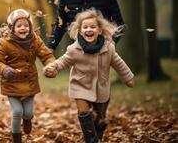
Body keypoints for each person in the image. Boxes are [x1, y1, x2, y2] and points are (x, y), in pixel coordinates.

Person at [43, 9, 134, 142]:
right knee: (83, 112)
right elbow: (63, 61)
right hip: (80, 85)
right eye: (85, 27)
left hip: (101, 87)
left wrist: (128, 77)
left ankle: (99, 132)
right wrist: (54, 68)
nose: (89, 29)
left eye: (92, 27)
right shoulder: (74, 49)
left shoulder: (108, 48)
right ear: (80, 31)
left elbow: (119, 63)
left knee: (99, 118)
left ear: (100, 30)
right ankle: (91, 140)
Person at [0, 9, 55, 143]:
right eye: (19, 26)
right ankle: (16, 139)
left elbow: (46, 55)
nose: (23, 28)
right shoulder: (5, 42)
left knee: (28, 113)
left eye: (26, 25)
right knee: (17, 112)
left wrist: (51, 66)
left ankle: (27, 119)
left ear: (30, 27)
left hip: (29, 83)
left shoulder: (35, 40)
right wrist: (5, 69)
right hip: (12, 83)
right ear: (12, 28)